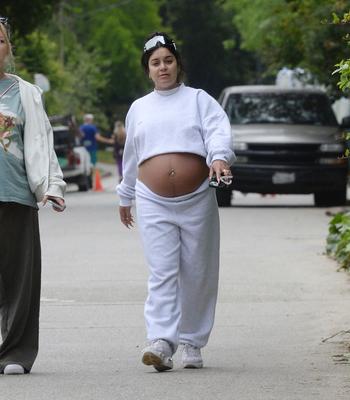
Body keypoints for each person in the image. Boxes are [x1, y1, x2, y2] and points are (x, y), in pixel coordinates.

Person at [117, 32, 235, 371]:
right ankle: (161, 341)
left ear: (178, 64)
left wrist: (218, 158)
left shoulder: (199, 100)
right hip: (152, 199)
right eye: (155, 63)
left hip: (196, 198)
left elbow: (218, 132)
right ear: (148, 70)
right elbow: (132, 155)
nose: (163, 67)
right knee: (162, 271)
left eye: (168, 60)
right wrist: (125, 194)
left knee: (198, 271)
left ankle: (192, 341)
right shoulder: (139, 108)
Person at [0, 17, 66, 375]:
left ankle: (15, 353)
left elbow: (41, 143)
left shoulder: (25, 93)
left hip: (15, 196)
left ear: (8, 49)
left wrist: (51, 186)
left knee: (19, 280)